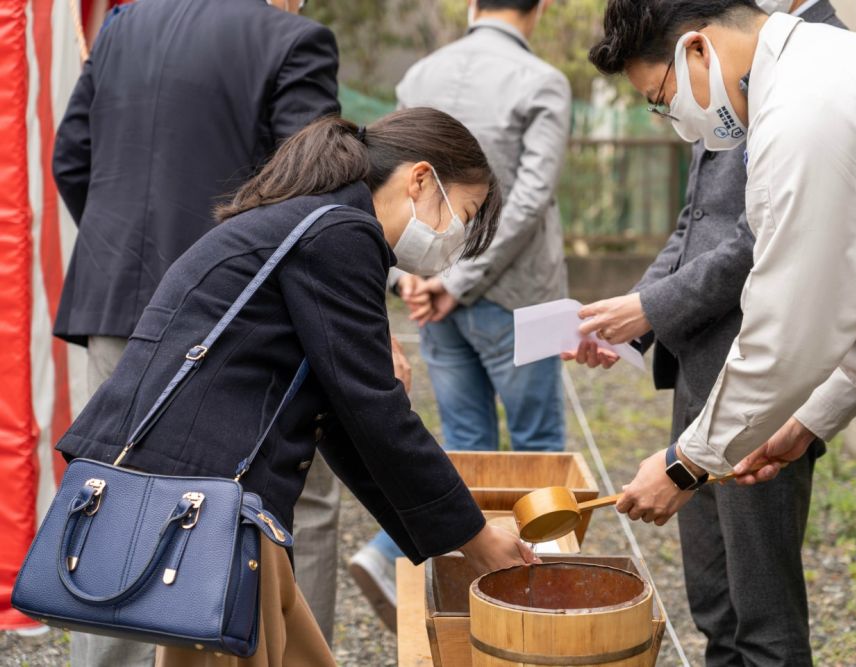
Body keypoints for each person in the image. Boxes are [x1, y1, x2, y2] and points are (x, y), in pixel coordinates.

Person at [587, 0, 856, 662]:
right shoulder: (823, 78)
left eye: (661, 99)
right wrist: (805, 420)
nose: (672, 122)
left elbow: (789, 319)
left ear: (698, 50)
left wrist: (685, 461)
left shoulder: (808, 109)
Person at [55, 109, 537, 667]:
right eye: (464, 213)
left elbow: (347, 419)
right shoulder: (342, 233)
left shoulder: (319, 219)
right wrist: (475, 538)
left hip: (214, 490)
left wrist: (453, 537)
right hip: (211, 498)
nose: (452, 241)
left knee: (289, 649)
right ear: (421, 178)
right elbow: (374, 410)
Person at [51, 0, 344, 660]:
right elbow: (312, 193)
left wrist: (116, 245)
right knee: (297, 497)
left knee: (111, 501)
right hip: (238, 320)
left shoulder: (123, 24)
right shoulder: (296, 40)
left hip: (118, 301)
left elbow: (71, 156)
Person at [566, 1, 844, 663]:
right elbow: (697, 225)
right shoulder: (722, 66)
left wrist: (651, 309)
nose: (667, 117)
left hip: (758, 377)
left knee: (763, 612)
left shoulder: (812, 66)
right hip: (699, 367)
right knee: (715, 600)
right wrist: (634, 312)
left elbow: (758, 241)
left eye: (659, 99)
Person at [348, 0, 572, 630]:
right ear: (541, 8)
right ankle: (538, 599)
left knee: (465, 445)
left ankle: (421, 572)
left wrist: (416, 277)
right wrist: (465, 277)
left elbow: (396, 183)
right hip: (525, 297)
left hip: (429, 287)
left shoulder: (419, 76)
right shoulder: (544, 83)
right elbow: (529, 199)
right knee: (538, 453)